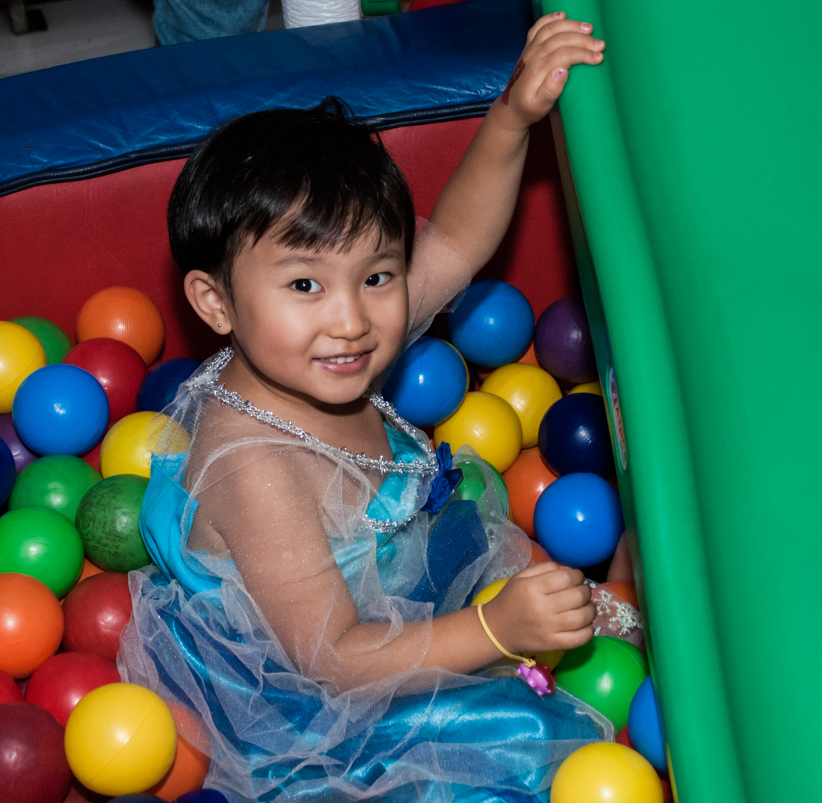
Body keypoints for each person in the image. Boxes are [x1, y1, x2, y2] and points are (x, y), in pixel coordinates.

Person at [117, 14, 631, 802]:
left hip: (394, 590)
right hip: (323, 702)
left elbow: (457, 240)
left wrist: (512, 116)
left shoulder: (336, 344)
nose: (351, 318)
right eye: (303, 285)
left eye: (378, 276)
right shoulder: (255, 463)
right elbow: (335, 660)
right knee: (525, 752)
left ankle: (592, 616)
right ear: (214, 302)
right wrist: (495, 631)